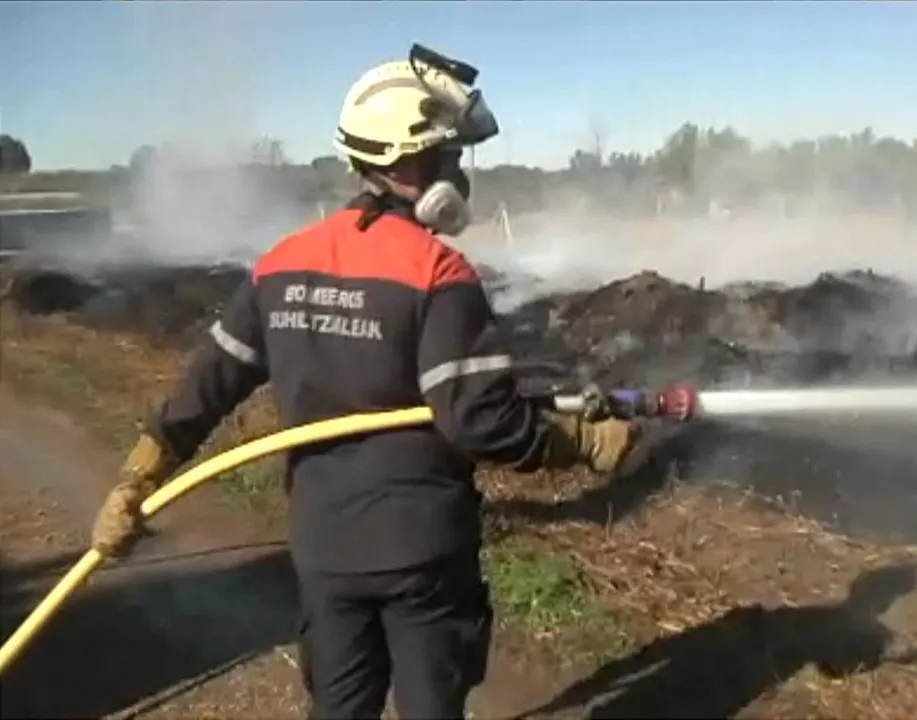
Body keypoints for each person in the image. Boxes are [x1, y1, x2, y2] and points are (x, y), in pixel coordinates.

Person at [89, 46, 696, 719]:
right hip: (422, 554)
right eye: (451, 156)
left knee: (341, 707)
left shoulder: (280, 265)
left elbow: (204, 387)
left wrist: (135, 479)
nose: (459, 172)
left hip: (325, 548)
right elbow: (479, 420)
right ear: (413, 162)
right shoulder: (438, 272)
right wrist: (580, 442)